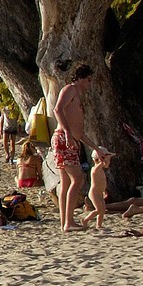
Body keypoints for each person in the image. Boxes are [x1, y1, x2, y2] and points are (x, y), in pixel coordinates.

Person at [53, 63, 95, 232]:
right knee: (77, 178)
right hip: (64, 138)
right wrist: (67, 132)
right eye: (88, 80)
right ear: (80, 78)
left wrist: (95, 148)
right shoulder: (70, 89)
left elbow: (80, 132)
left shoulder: (77, 94)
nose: (90, 84)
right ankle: (69, 222)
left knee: (65, 182)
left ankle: (65, 222)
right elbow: (57, 109)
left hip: (71, 139)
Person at [88, 148, 112, 230]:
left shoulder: (101, 170)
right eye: (107, 161)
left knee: (103, 210)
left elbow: (101, 181)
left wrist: (104, 190)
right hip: (94, 194)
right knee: (98, 209)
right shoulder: (95, 169)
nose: (108, 162)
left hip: (99, 193)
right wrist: (103, 160)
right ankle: (85, 220)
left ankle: (99, 225)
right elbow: (99, 165)